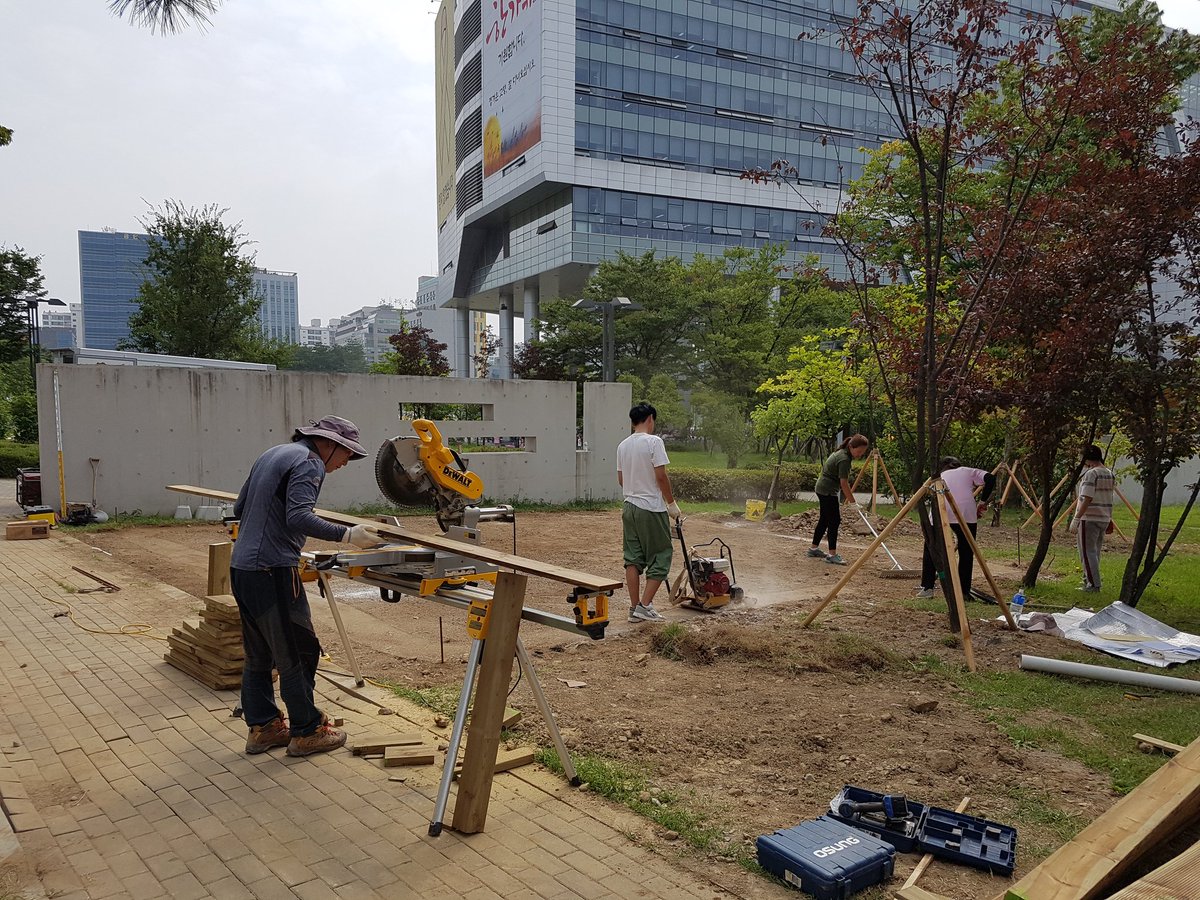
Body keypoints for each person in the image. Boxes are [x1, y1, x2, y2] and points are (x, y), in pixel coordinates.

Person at [231, 415, 382, 757]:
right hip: (272, 569)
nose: (346, 462)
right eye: (346, 454)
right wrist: (348, 535)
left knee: (259, 653)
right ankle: (307, 730)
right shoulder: (309, 462)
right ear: (328, 444)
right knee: (297, 651)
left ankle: (264, 727)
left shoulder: (274, 453)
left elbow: (240, 507)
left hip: (243, 567)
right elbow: (297, 516)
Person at [617, 403, 681, 623]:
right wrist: (671, 504)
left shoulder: (623, 445)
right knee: (661, 554)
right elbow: (661, 476)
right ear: (650, 419)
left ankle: (634, 608)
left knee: (633, 558)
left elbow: (621, 480)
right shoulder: (654, 442)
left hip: (629, 507)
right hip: (650, 508)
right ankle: (645, 606)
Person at [917, 457, 996, 599]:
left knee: (931, 548)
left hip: (941, 511)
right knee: (966, 551)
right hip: (966, 513)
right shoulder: (968, 471)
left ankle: (927, 587)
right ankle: (963, 591)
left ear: (943, 466)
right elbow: (990, 478)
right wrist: (982, 502)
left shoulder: (938, 476)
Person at [809, 434, 870, 565]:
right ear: (851, 447)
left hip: (823, 488)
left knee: (825, 519)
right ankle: (832, 555)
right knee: (834, 521)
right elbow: (844, 484)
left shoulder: (843, 453)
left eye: (862, 452)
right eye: (859, 451)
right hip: (827, 491)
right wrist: (853, 502)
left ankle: (813, 548)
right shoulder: (844, 459)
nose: (860, 455)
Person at [1070, 444, 1115, 592]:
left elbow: (1087, 497)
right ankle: (1089, 580)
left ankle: (1093, 584)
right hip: (1103, 517)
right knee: (1095, 552)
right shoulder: (1109, 473)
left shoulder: (1092, 474)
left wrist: (1077, 518)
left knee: (1087, 552)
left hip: (1089, 517)